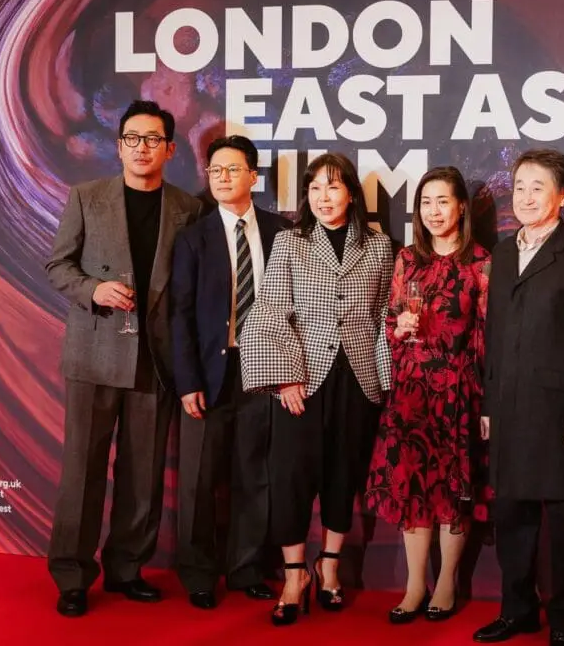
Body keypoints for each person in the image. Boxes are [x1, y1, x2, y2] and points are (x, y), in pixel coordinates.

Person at [45, 100, 204, 617]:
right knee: (83, 471)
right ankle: (72, 574)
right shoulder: (86, 198)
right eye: (133, 138)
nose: (142, 147)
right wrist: (95, 289)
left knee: (144, 473)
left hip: (154, 361)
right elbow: (58, 266)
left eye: (152, 139)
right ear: (118, 147)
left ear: (170, 148)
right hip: (94, 354)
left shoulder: (187, 208)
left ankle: (127, 568)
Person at [238, 152, 393, 626]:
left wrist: (388, 383)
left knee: (343, 475)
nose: (323, 197)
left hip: (358, 377)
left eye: (333, 187)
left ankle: (328, 568)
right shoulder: (290, 242)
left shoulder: (380, 246)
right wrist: (284, 375)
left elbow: (384, 314)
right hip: (302, 378)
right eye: (314, 189)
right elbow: (268, 311)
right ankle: (292, 574)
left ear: (351, 191)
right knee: (292, 477)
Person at [473, 149, 564, 646]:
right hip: (507, 408)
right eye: (521, 186)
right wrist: (489, 405)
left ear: (563, 195)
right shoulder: (504, 252)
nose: (526, 197)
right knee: (512, 518)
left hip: (559, 414)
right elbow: (495, 334)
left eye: (539, 187)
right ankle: (517, 610)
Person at [365, 166, 491, 624]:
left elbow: (484, 335)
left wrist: (484, 397)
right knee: (412, 487)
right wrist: (397, 326)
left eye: (443, 201)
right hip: (410, 390)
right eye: (426, 203)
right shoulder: (406, 259)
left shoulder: (479, 263)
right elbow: (393, 318)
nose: (434, 211)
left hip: (457, 390)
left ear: (461, 206)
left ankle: (446, 582)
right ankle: (415, 583)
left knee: (451, 491)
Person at [170, 135, 290, 609]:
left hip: (262, 372)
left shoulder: (281, 232)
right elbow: (178, 314)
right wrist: (188, 381)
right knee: (199, 480)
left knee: (253, 474)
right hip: (208, 374)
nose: (221, 177)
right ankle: (199, 574)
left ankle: (245, 569)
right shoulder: (193, 237)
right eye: (215, 170)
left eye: (232, 169)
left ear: (253, 177)